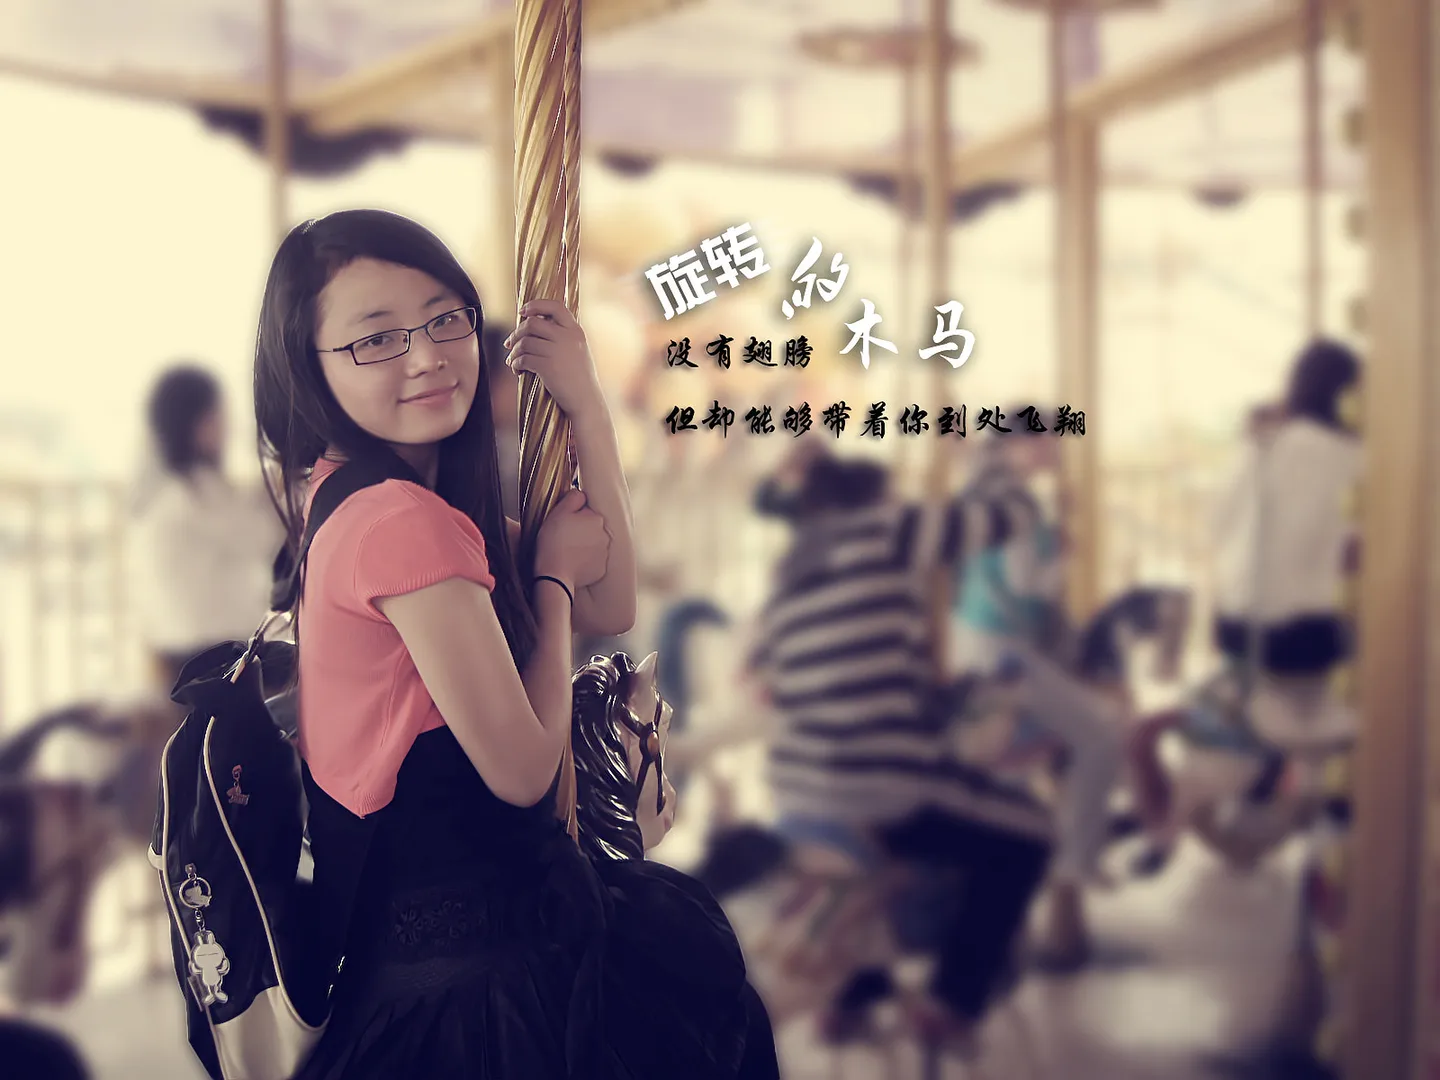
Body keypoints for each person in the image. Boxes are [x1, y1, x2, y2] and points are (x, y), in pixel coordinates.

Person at [252, 209, 777, 1080]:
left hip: (440, 945)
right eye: (376, 340)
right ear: (309, 366)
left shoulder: (368, 498)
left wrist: (585, 407)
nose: (427, 356)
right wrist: (552, 582)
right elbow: (526, 769)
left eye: (444, 320)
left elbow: (611, 595)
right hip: (467, 981)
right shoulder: (397, 521)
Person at [715, 446, 1054, 1049]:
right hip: (877, 785)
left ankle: (855, 993)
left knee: (928, 820)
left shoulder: (790, 572)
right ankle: (954, 1000)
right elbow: (1011, 516)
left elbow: (769, 675)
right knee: (1027, 831)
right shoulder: (886, 529)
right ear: (874, 499)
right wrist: (1001, 460)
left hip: (796, 791)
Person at [948, 415, 1126, 968]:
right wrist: (1065, 554)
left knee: (1016, 765)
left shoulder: (984, 489)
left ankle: (1027, 902)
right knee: (1102, 733)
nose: (1054, 450)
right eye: (1047, 439)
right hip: (1005, 656)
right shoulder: (1018, 502)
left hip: (978, 647)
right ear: (1024, 443)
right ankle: (1075, 865)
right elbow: (1030, 585)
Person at [129, 365, 281, 692]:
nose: (227, 427)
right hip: (213, 656)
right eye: (218, 415)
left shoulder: (160, 489)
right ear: (195, 423)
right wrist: (284, 481)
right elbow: (265, 538)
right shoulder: (194, 493)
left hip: (172, 653)